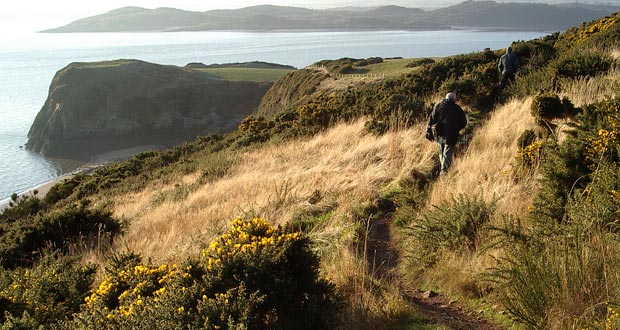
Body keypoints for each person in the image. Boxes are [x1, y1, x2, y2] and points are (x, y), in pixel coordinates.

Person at [426, 92, 467, 175]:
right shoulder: (457, 108)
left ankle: (443, 168)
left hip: (439, 133)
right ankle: (444, 171)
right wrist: (457, 129)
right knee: (447, 152)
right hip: (452, 134)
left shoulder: (438, 106)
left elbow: (431, 120)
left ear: (445, 98)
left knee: (441, 151)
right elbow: (464, 122)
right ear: (454, 99)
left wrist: (429, 131)